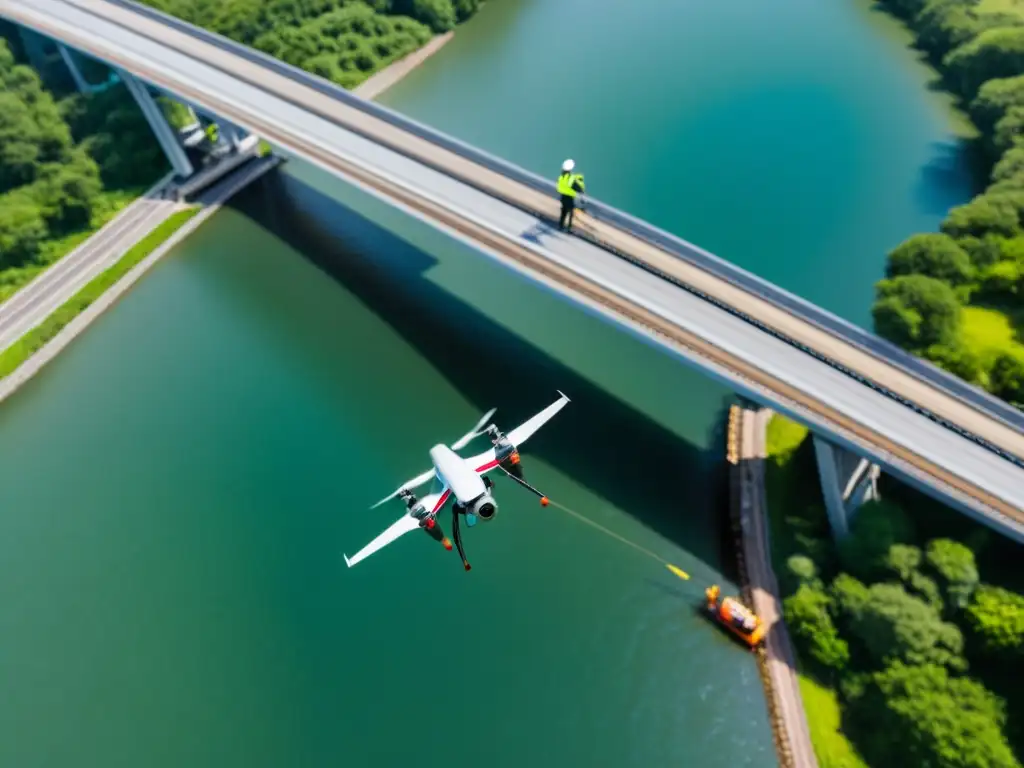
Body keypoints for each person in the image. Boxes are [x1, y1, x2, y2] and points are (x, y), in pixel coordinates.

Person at [557, 159, 586, 232]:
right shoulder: (572, 178)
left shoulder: (561, 177)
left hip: (563, 197)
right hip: (570, 198)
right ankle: (569, 227)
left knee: (563, 212)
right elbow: (580, 189)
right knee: (570, 213)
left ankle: (561, 226)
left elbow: (560, 187)